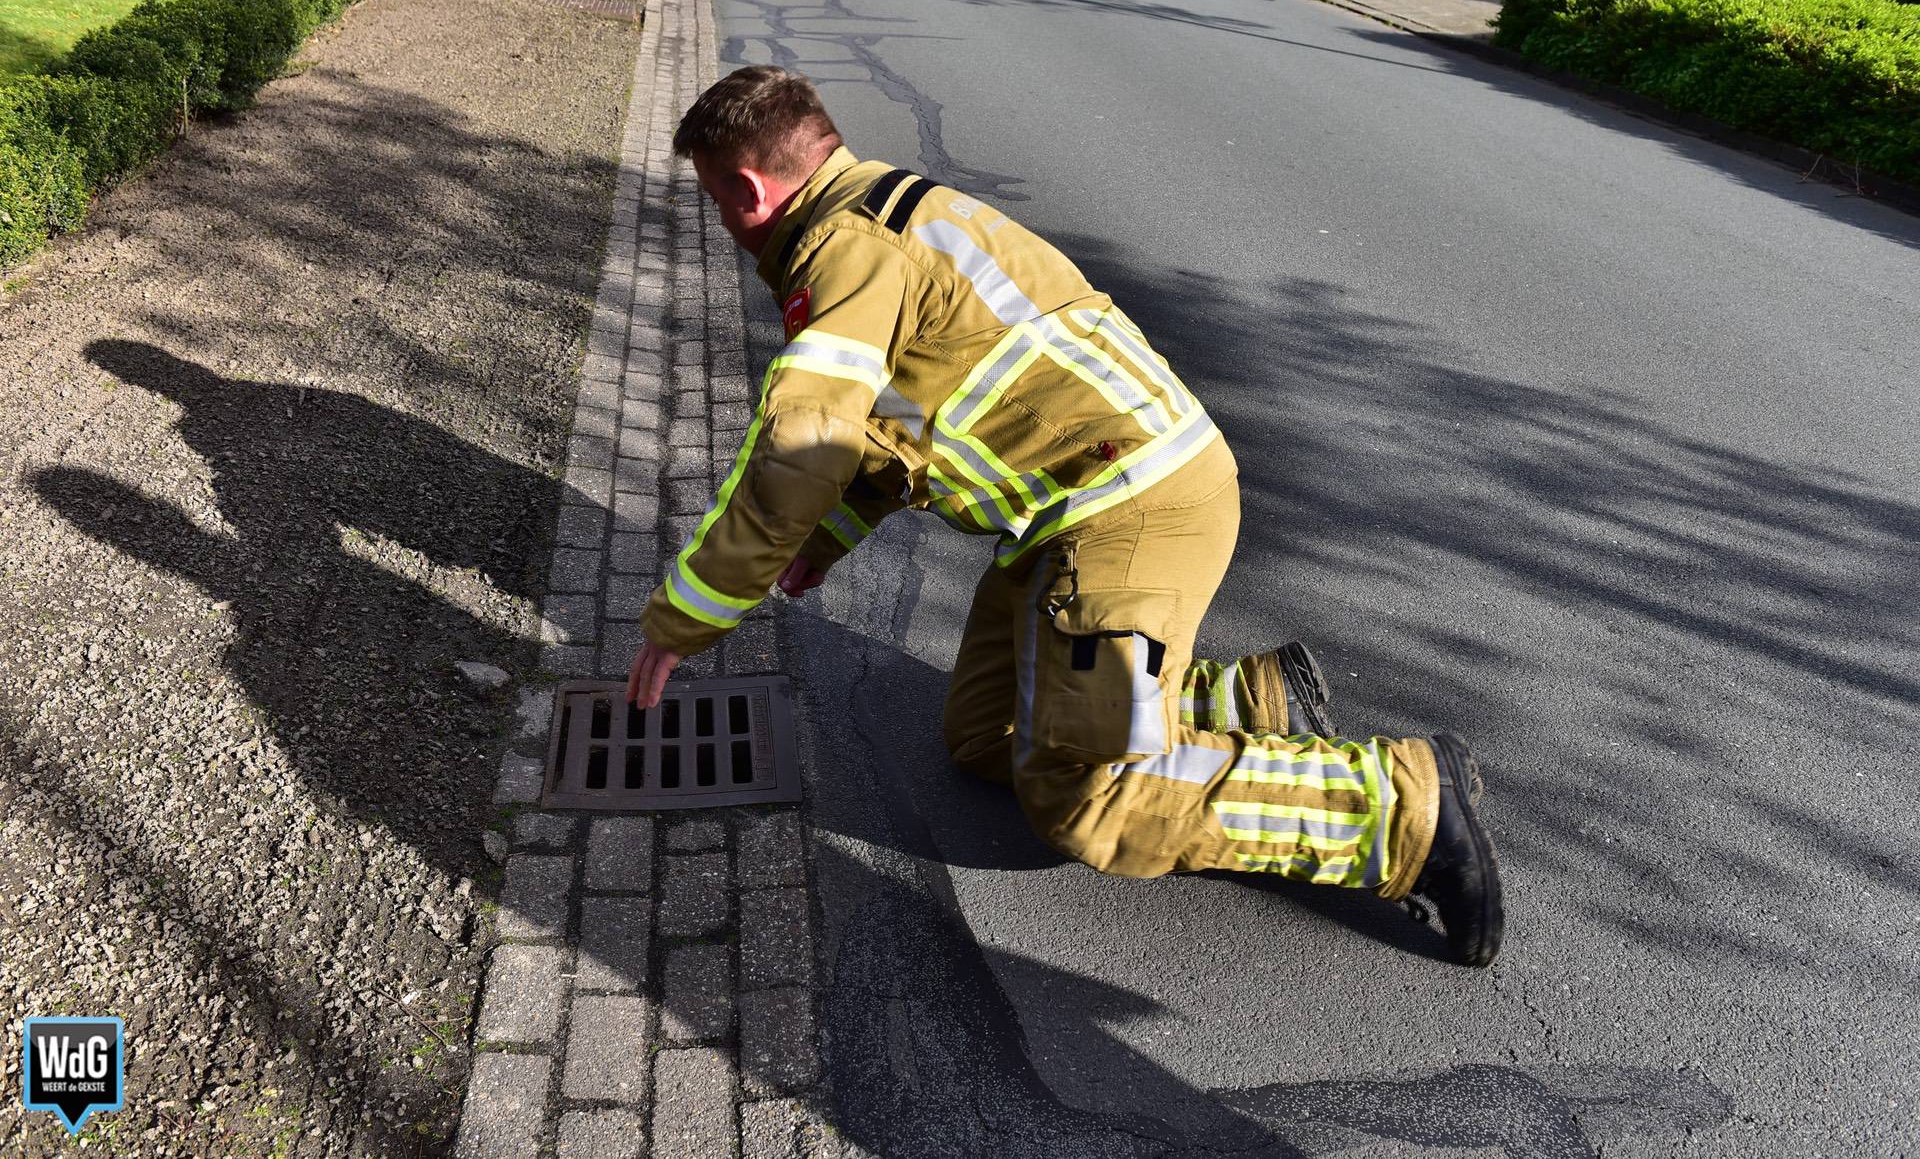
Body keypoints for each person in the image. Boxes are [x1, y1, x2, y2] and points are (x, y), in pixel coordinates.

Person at [626, 66, 1503, 965]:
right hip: (1078, 512)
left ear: (749, 188)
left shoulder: (845, 251)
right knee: (984, 737)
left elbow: (802, 446)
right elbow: (905, 422)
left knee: (1085, 799)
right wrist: (827, 538)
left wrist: (687, 614)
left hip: (1129, 509)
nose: (728, 227)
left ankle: (1401, 810)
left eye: (718, 204)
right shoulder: (897, 213)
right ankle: (1250, 703)